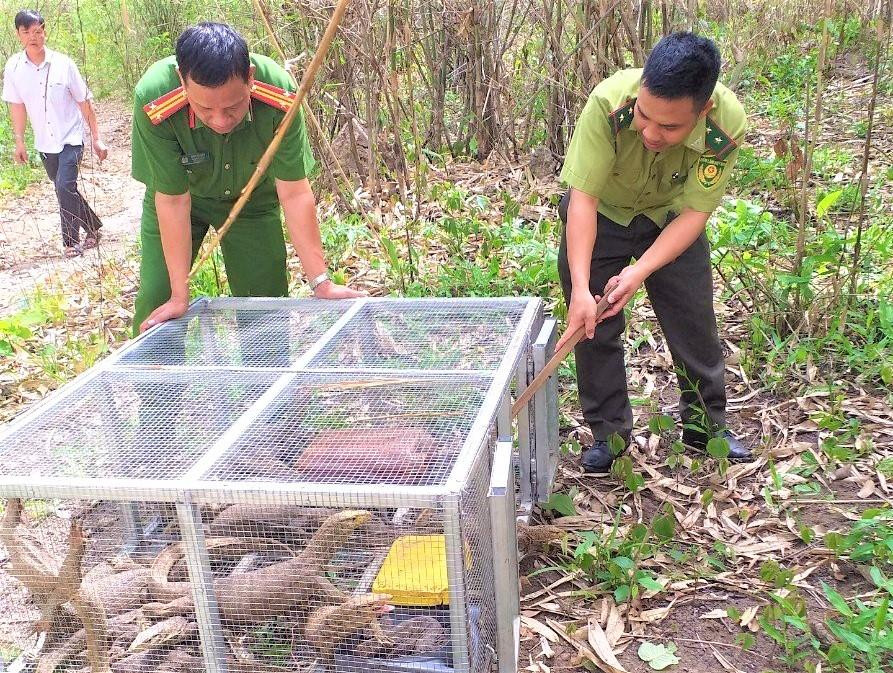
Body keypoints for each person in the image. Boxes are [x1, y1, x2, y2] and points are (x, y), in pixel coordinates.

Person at [556, 32, 751, 472]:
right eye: (645, 117)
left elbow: (695, 214)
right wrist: (583, 290)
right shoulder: (608, 103)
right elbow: (582, 200)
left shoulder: (726, 124)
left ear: (702, 111)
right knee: (593, 324)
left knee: (692, 318)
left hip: (670, 218)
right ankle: (610, 436)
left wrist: (640, 271)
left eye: (669, 127)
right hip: (602, 214)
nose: (650, 132)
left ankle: (706, 428)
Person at [131, 22, 363, 337]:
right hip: (181, 199)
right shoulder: (155, 99)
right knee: (157, 300)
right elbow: (172, 199)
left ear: (250, 78)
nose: (220, 120)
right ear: (182, 84)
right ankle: (156, 382)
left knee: (264, 306)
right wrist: (178, 294)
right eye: (204, 108)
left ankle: (268, 379)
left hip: (252, 202)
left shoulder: (279, 94)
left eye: (233, 106)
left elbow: (294, 193)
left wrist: (321, 282)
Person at [2, 9, 106, 258]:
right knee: (64, 188)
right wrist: (19, 141)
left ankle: (71, 243)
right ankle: (94, 227)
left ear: (44, 32)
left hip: (71, 137)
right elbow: (17, 106)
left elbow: (84, 102)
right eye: (26, 32)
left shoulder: (63, 64)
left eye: (37, 31)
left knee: (63, 186)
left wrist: (96, 137)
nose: (32, 37)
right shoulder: (14, 67)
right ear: (18, 34)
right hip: (44, 142)